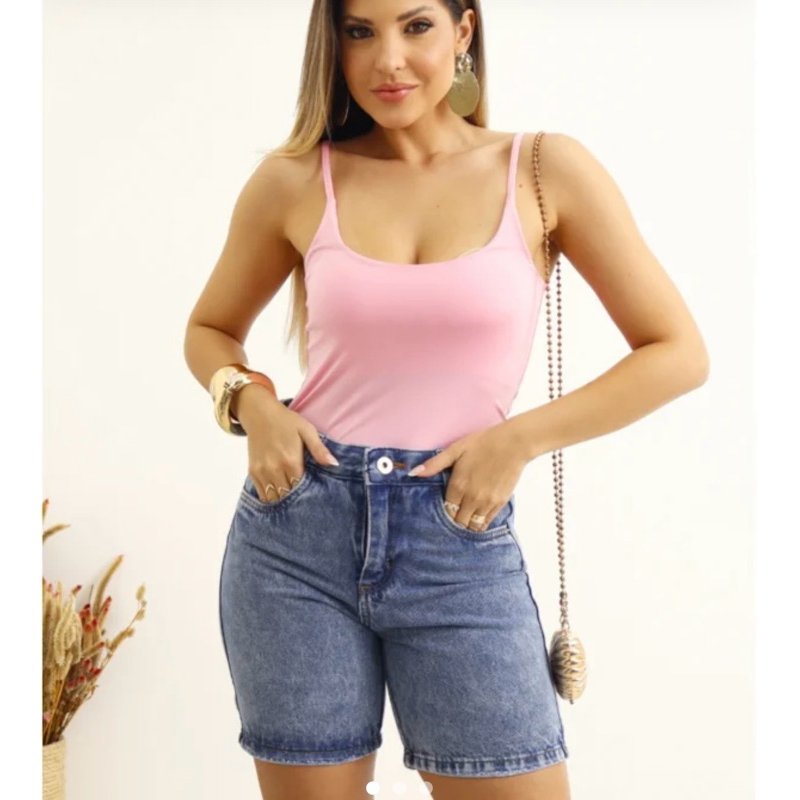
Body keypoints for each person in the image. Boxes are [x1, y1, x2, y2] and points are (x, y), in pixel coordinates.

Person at [183, 1, 710, 798]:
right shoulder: (294, 179)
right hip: (296, 532)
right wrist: (253, 406)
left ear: (464, 30)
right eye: (360, 32)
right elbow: (211, 329)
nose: (388, 59)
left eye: (416, 26)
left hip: (457, 533)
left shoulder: (543, 170)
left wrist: (517, 440)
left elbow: (677, 352)